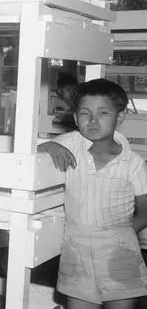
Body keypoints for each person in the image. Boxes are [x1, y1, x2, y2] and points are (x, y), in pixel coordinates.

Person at [37, 79, 147, 308]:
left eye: (103, 112)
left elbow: (145, 212)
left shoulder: (134, 164)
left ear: (120, 117)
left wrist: (117, 236)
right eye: (85, 113)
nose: (93, 120)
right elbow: (31, 152)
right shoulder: (69, 143)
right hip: (76, 251)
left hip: (120, 253)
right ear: (76, 119)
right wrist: (49, 146)